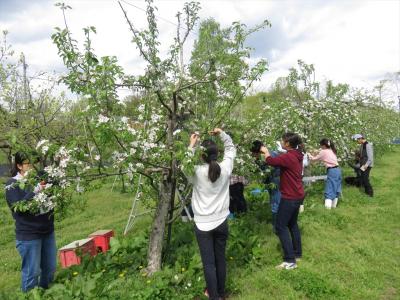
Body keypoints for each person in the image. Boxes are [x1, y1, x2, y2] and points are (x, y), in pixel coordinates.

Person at [187, 128, 236, 300]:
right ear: (217, 154)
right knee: (220, 259)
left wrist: (191, 145)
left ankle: (214, 296)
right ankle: (221, 292)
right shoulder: (225, 168)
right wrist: (222, 133)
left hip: (203, 224)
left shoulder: (195, 172)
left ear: (202, 156)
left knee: (209, 263)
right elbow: (231, 149)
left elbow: (183, 165)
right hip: (222, 221)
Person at [5, 152, 56, 292]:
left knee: (50, 268)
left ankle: (45, 292)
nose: (32, 166)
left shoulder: (39, 177)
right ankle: (28, 295)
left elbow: (55, 186)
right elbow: (17, 207)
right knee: (32, 272)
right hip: (29, 234)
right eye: (28, 163)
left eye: (34, 162)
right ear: (19, 166)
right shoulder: (12, 184)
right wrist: (36, 190)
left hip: (47, 230)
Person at [260, 133, 304, 270]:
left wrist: (266, 152)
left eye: (282, 140)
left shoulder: (289, 156)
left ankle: (289, 260)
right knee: (292, 224)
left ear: (287, 144)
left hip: (289, 196)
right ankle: (297, 253)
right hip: (298, 194)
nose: (281, 141)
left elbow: (271, 162)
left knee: (280, 226)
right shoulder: (297, 154)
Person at [251, 140, 282, 231]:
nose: (252, 155)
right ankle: (279, 223)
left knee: (275, 201)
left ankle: (276, 226)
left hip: (275, 181)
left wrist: (256, 162)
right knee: (276, 200)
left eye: (253, 153)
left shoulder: (267, 156)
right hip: (275, 180)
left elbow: (266, 170)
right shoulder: (271, 153)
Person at [308, 139, 342, 209]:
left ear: (323, 145)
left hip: (332, 170)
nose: (320, 147)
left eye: (321, 145)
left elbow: (314, 159)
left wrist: (309, 155)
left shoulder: (323, 151)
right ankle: (334, 207)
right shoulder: (332, 150)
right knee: (336, 188)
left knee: (329, 188)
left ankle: (327, 209)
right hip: (338, 170)